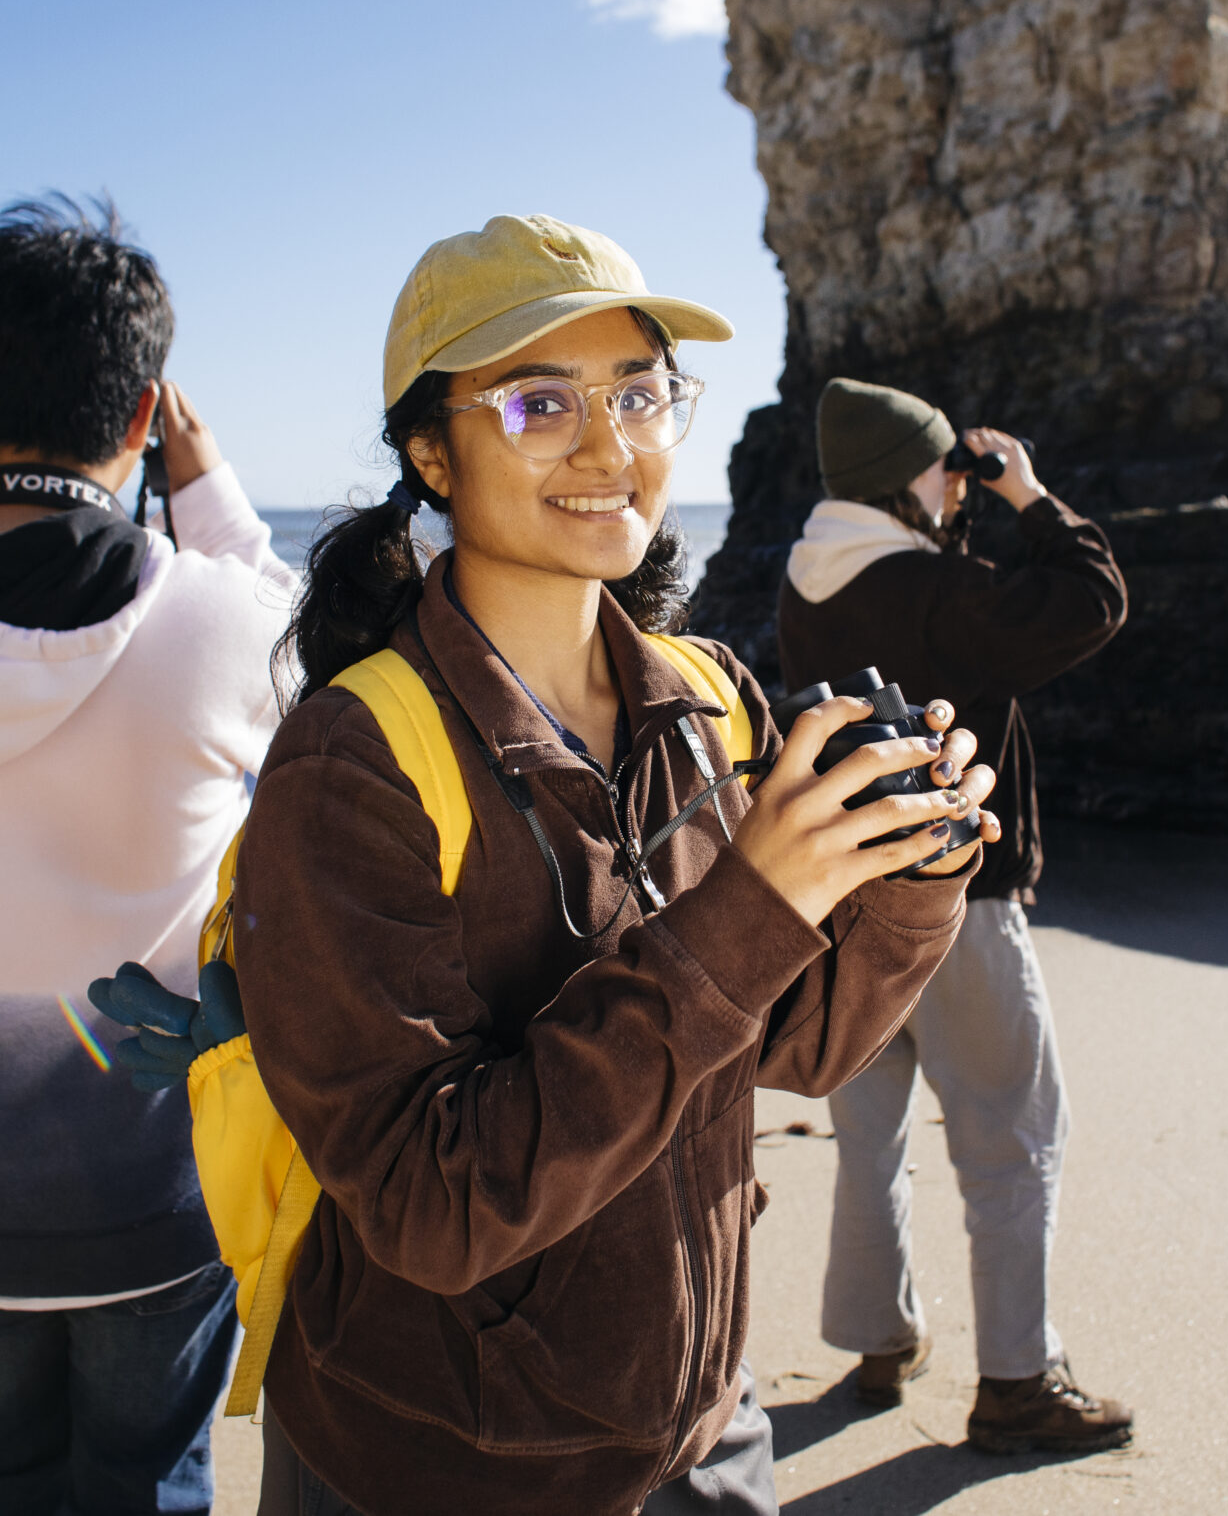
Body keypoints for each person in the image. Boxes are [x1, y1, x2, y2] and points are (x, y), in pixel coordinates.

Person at [232, 214, 1002, 1515]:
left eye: (640, 394)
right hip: (438, 1464)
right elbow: (432, 1205)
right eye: (540, 401)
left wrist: (910, 877)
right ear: (431, 448)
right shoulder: (351, 761)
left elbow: (801, 1047)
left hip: (702, 1426)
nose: (610, 446)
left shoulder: (708, 696)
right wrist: (746, 910)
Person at [0, 197, 296, 1514]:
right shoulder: (221, 620)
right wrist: (203, 486)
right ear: (143, 413)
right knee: (146, 1482)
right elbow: (328, 687)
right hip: (154, 1187)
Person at [777, 377, 1133, 1454]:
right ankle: (1018, 1383)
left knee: (869, 1132)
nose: (955, 483)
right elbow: (1090, 602)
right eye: (942, 467)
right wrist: (1028, 496)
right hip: (956, 905)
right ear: (901, 479)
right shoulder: (933, 589)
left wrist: (951, 513)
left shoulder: (806, 582)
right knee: (1013, 1139)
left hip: (840, 905)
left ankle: (877, 1337)